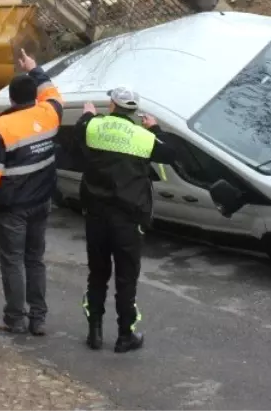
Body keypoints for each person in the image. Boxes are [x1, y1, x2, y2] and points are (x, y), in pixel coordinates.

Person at [0, 48, 63, 336]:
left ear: (11, 99)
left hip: (12, 208)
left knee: (12, 260)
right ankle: (39, 318)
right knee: (35, 259)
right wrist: (35, 68)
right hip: (42, 202)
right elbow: (53, 93)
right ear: (35, 97)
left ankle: (15, 319)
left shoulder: (0, 128)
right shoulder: (49, 114)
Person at [76, 86, 176, 353]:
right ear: (134, 112)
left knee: (97, 275)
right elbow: (170, 152)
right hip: (129, 220)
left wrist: (87, 114)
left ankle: (94, 333)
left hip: (96, 216)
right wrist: (154, 128)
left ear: (111, 106)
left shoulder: (94, 127)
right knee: (126, 279)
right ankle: (124, 336)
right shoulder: (143, 137)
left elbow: (79, 131)